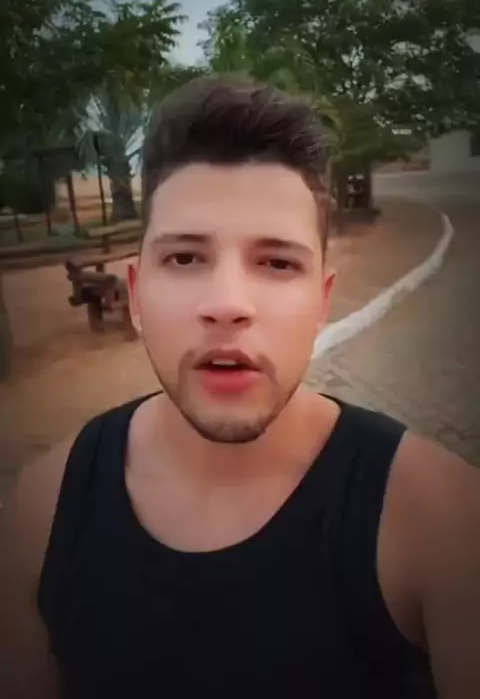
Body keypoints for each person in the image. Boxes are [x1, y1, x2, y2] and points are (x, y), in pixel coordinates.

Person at [1, 77, 479, 699]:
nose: (227, 304)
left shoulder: (442, 522)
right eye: (185, 258)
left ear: (321, 303)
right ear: (137, 297)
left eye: (277, 262)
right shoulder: (42, 506)